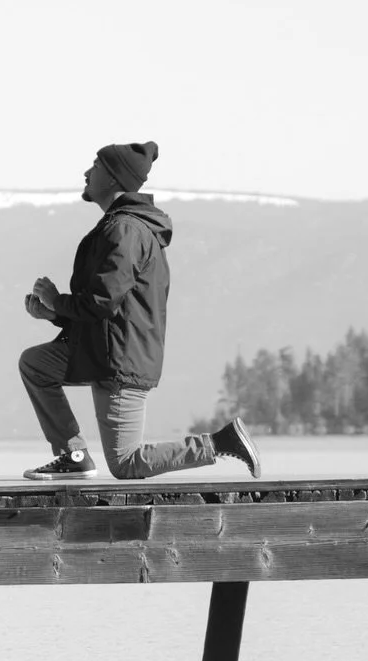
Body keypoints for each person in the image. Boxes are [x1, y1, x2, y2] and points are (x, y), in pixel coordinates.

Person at [19, 140, 261, 481]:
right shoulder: (118, 226)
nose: (87, 172)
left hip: (120, 360)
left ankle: (221, 442)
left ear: (115, 178)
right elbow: (104, 306)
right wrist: (54, 315)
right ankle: (73, 456)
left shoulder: (126, 230)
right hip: (100, 351)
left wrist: (58, 301)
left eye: (96, 166)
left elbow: (103, 301)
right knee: (36, 364)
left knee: (126, 463)